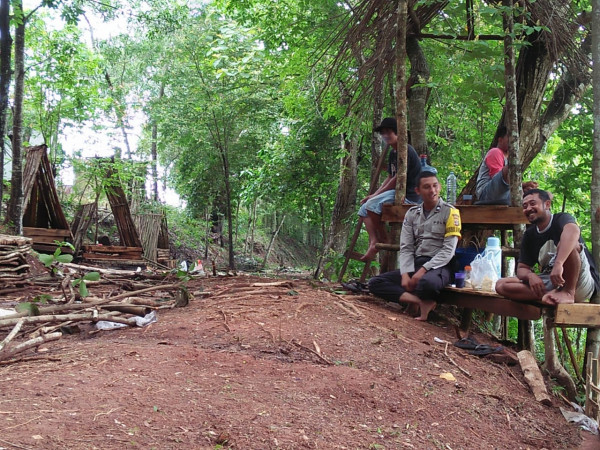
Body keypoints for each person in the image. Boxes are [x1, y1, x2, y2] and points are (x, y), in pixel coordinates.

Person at [368, 170, 462, 320]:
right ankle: (419, 301)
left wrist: (422, 271)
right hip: (416, 264)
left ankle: (421, 301)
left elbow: (448, 251)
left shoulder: (451, 212)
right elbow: (406, 247)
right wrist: (405, 273)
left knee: (426, 283)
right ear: (418, 191)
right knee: (375, 283)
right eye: (426, 187)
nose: (432, 191)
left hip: (439, 266)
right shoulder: (412, 214)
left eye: (435, 186)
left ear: (440, 187)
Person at [496, 189, 600, 305]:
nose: (528, 208)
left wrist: (558, 263)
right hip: (551, 282)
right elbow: (522, 268)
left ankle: (568, 293)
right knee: (501, 285)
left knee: (569, 244)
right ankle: (549, 295)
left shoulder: (560, 219)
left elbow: (573, 230)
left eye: (533, 203)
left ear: (547, 204)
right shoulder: (530, 235)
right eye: (525, 206)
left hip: (579, 282)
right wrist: (531, 276)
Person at [359, 117, 421, 261]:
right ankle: (374, 241)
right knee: (363, 209)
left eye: (389, 132)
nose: (385, 136)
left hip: (408, 195)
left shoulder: (405, 152)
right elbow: (389, 176)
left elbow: (397, 180)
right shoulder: (393, 153)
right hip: (395, 192)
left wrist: (374, 197)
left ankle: (384, 238)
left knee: (371, 205)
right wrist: (373, 194)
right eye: (383, 133)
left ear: (398, 133)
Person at [475, 126, 510, 205]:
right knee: (507, 171)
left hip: (503, 194)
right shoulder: (495, 152)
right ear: (500, 140)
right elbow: (498, 177)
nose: (512, 140)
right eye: (509, 137)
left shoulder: (508, 157)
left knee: (530, 192)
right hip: (486, 194)